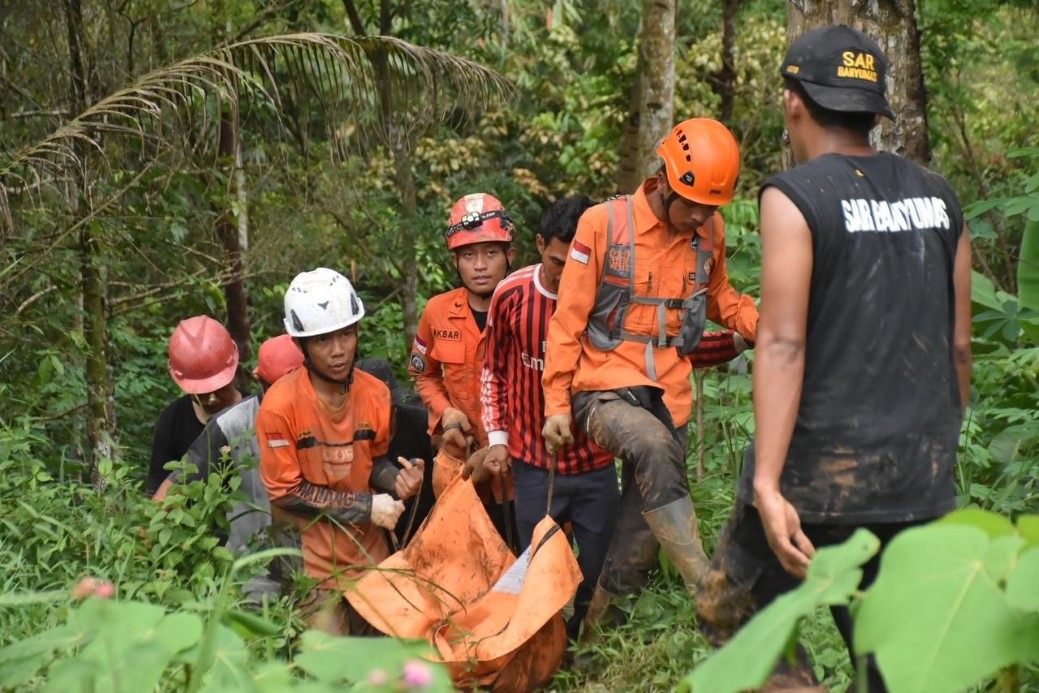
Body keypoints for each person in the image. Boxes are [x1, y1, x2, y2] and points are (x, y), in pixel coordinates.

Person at [694, 25, 972, 690]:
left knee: (731, 615)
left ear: (794, 100)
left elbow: (784, 342)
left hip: (818, 477)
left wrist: (766, 483)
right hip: (920, 475)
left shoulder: (794, 196)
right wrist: (932, 452)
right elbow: (958, 346)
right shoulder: (940, 197)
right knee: (892, 659)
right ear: (875, 110)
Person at [540, 118, 759, 635]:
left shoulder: (709, 233)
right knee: (655, 448)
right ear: (663, 180)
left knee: (634, 547)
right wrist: (554, 404)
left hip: (669, 395)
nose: (702, 217)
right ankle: (708, 590)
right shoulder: (602, 225)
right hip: (601, 391)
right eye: (693, 205)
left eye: (712, 208)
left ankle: (593, 653)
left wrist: (762, 322)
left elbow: (722, 296)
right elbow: (567, 320)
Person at [479, 195, 619, 641]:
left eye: (582, 260)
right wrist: (498, 437)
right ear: (540, 245)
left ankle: (590, 655)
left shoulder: (609, 297)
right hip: (534, 465)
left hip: (596, 464)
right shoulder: (511, 294)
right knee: (537, 569)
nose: (569, 273)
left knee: (600, 572)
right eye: (560, 261)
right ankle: (540, 653)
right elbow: (492, 371)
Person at [257, 268, 425, 635]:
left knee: (386, 667)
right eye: (323, 341)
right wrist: (368, 506)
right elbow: (286, 491)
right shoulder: (279, 406)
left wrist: (397, 482)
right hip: (315, 566)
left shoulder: (376, 394)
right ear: (302, 346)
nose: (338, 351)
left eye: (346, 335)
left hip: (371, 559)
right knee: (329, 671)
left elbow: (373, 461)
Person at [152, 333, 305, 600]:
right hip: (251, 578)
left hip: (319, 572)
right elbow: (172, 488)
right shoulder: (232, 424)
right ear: (260, 381)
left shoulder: (333, 416)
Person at [408, 192, 518, 543]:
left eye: (490, 253)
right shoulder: (437, 312)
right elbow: (423, 374)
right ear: (455, 261)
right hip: (460, 461)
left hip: (518, 465)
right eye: (469, 255)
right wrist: (446, 413)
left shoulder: (528, 311)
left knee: (518, 554)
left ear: (509, 255)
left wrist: (505, 444)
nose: (480, 265)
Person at [147, 315, 243, 495]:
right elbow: (156, 496)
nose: (212, 398)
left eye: (219, 388)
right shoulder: (172, 421)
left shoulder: (257, 412)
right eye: (202, 392)